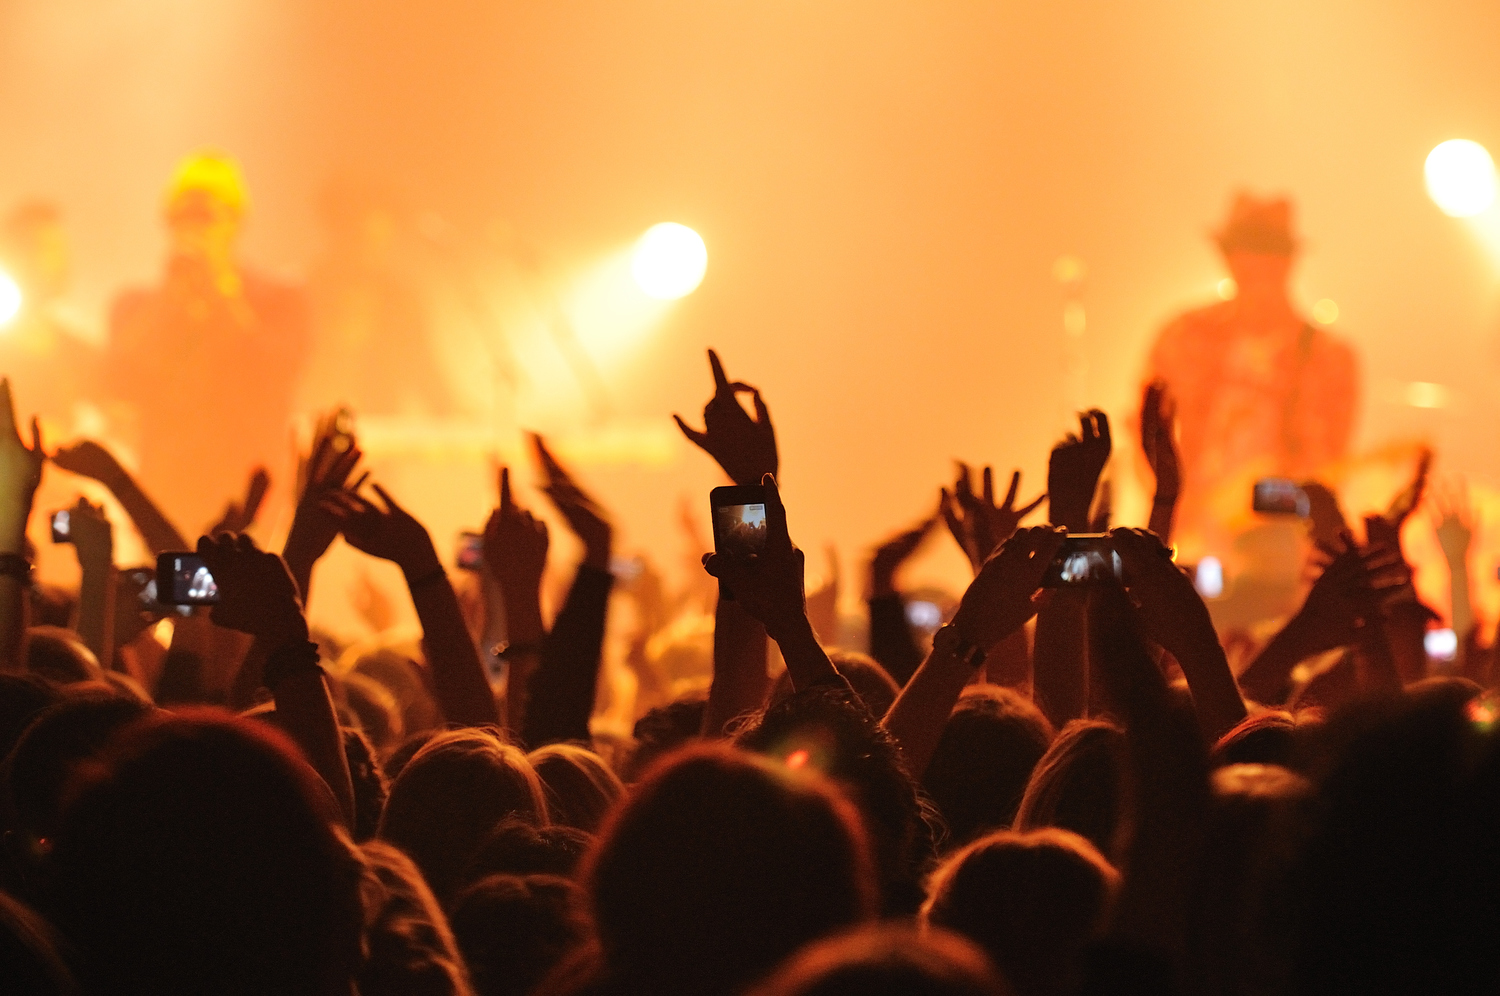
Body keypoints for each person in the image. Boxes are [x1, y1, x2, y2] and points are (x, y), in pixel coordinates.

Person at [1142, 192, 1358, 561]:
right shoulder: (1183, 336)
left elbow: (1327, 465)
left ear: (1288, 263)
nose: (1255, 267)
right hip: (1189, 534)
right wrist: (1174, 504)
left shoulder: (1328, 358)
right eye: (1245, 253)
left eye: (1267, 255)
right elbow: (1143, 429)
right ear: (1227, 258)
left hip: (1279, 551)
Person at [104, 151, 309, 532]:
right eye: (183, 219)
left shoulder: (280, 301)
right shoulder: (138, 305)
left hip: (251, 495)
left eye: (207, 218)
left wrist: (223, 296)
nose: (194, 231)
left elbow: (275, 371)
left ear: (236, 223)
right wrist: (168, 302)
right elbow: (117, 379)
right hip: (165, 494)